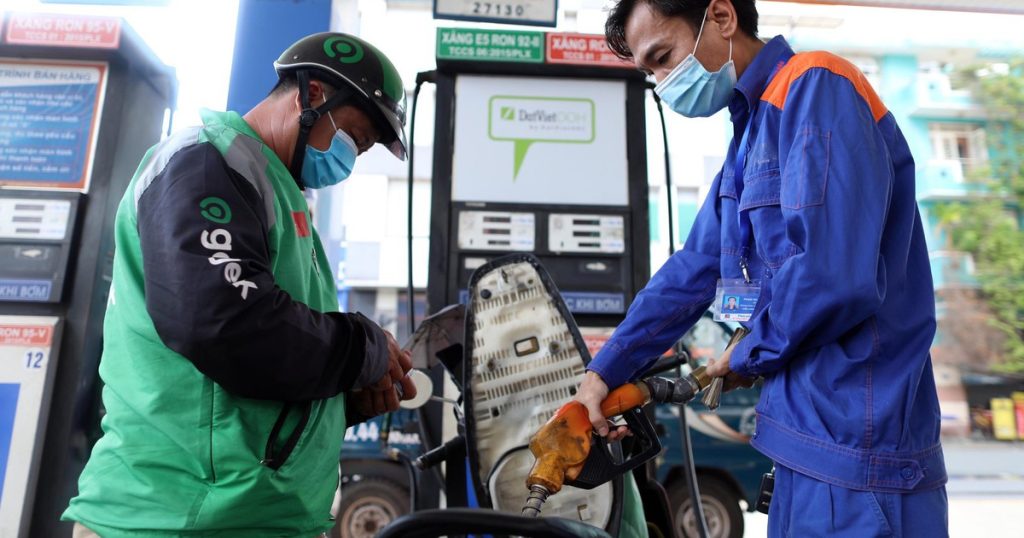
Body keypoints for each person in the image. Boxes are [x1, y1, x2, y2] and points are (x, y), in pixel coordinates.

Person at [574, 1, 948, 536]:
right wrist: (603, 373)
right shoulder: (748, 141)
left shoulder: (817, 87)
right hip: (798, 444)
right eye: (649, 71)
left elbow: (833, 274)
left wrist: (749, 351)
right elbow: (693, 269)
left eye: (663, 57)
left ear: (722, 17)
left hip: (862, 456)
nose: (662, 82)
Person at [62, 32, 416, 538]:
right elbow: (225, 323)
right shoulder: (205, 164)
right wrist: (362, 347)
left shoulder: (281, 196)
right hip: (173, 517)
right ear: (313, 94)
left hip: (254, 518)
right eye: (354, 138)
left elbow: (261, 372)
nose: (351, 159)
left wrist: (343, 398)